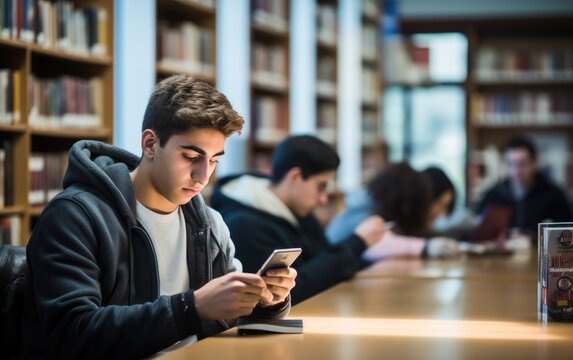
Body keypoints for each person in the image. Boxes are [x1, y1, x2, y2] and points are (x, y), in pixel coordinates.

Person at [21, 75, 296, 359]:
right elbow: (73, 335)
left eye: (214, 160)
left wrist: (267, 303)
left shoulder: (210, 224)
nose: (203, 177)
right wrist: (191, 308)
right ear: (150, 144)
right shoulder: (75, 217)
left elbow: (227, 323)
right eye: (191, 156)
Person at [210, 135, 385, 305]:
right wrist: (358, 242)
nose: (324, 199)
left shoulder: (300, 212)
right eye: (321, 186)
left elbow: (324, 260)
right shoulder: (243, 225)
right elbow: (290, 293)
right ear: (295, 177)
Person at [326, 163, 460, 261]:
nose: (442, 214)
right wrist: (425, 247)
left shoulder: (370, 207)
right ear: (406, 205)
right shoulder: (362, 214)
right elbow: (375, 245)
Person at [476, 135, 572, 237]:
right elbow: (479, 231)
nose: (517, 171)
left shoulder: (554, 195)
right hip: (501, 252)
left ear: (535, 163)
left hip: (539, 251)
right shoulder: (493, 195)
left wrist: (532, 236)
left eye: (522, 164)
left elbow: (566, 234)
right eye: (511, 164)